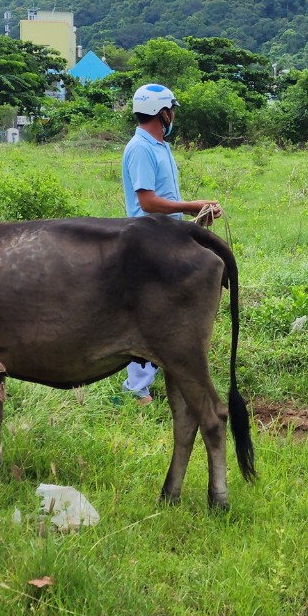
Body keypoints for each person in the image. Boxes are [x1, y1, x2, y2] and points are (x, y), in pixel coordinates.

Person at [120, 83, 224, 405]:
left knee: (169, 312)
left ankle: (166, 373)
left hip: (165, 234)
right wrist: (191, 206)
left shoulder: (160, 146)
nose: (174, 114)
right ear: (161, 112)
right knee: (152, 314)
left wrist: (195, 217)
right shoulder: (141, 148)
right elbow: (148, 202)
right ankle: (135, 387)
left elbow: (165, 200)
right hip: (149, 238)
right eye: (172, 109)